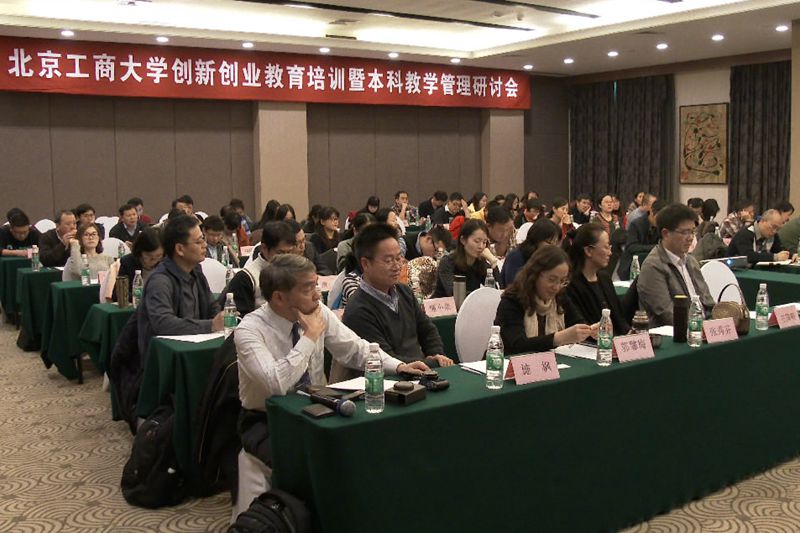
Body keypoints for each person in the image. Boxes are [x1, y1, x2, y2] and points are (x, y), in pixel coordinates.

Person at [233, 253, 427, 467]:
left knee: (368, 447)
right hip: (266, 419)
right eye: (308, 289)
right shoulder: (250, 330)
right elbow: (275, 383)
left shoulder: (318, 312)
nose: (318, 295)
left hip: (318, 407)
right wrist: (309, 337)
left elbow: (354, 348)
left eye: (316, 285)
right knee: (302, 462)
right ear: (279, 298)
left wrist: (398, 366)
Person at [343, 223, 453, 369]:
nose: (397, 266)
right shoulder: (358, 309)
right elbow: (385, 359)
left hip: (423, 371)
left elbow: (427, 330)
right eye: (389, 260)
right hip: (388, 379)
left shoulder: (404, 291)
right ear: (365, 263)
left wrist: (437, 354)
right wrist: (432, 363)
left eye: (399, 258)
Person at [137, 214, 224, 358]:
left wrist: (222, 319)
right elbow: (163, 324)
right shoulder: (160, 281)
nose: (205, 245)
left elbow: (212, 306)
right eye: (199, 241)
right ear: (179, 249)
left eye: (203, 239)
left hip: (195, 349)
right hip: (163, 359)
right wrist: (211, 325)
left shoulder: (196, 271)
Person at [495, 245, 594, 355]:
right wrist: (558, 338)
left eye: (562, 281)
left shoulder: (559, 297)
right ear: (535, 274)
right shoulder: (512, 301)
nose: (556, 287)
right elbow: (518, 345)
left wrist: (590, 331)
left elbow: (578, 322)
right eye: (552, 279)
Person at [637, 204, 715, 327]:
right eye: (685, 232)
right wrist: (700, 327)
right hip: (674, 333)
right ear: (665, 233)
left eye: (693, 232)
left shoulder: (691, 261)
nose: (690, 238)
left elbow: (708, 302)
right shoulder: (653, 266)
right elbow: (668, 314)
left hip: (700, 328)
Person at [222, 221, 297, 317]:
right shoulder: (246, 278)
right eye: (280, 253)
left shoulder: (295, 272)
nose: (286, 258)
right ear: (264, 248)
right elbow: (242, 320)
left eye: (289, 252)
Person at [566, 223, 630, 335]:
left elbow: (620, 320)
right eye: (606, 247)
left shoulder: (604, 278)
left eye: (610, 247)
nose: (610, 253)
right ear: (588, 251)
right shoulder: (571, 285)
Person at [433, 219, 498, 297]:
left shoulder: (481, 264)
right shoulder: (447, 262)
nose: (481, 246)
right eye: (477, 241)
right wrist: (481, 295)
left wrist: (493, 261)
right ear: (463, 240)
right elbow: (455, 294)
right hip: (444, 303)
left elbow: (496, 292)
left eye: (484, 242)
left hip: (471, 303)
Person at [502, 218, 561, 288]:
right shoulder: (516, 256)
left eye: (556, 244)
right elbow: (513, 286)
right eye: (549, 243)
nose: (553, 248)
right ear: (537, 239)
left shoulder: (548, 259)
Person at [618, 199, 666, 280]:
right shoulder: (636, 224)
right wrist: (656, 247)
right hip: (633, 265)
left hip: (654, 265)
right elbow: (631, 246)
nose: (661, 222)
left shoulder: (662, 227)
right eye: (659, 218)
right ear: (651, 212)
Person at [117, 227, 163, 301]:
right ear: (140, 251)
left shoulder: (166, 263)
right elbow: (118, 293)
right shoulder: (128, 262)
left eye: (158, 256)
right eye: (149, 256)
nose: (153, 260)